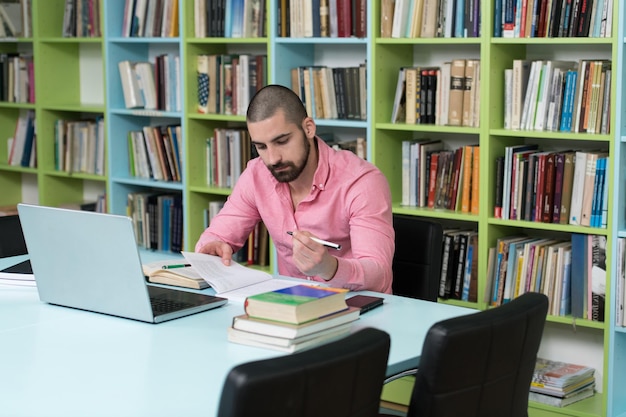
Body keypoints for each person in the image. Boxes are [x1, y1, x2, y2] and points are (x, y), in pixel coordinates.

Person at [195, 84, 394, 293]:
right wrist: (212, 247)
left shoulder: (362, 182)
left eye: (282, 141)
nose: (273, 158)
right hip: (292, 306)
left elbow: (379, 275)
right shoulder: (257, 175)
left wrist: (329, 268)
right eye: (261, 147)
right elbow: (216, 236)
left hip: (358, 310)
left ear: (308, 128)